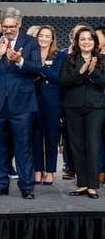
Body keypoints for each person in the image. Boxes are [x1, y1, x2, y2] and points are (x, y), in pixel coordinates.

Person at [0, 7, 41, 199]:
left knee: (23, 147)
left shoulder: (30, 42)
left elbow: (37, 68)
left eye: (12, 26)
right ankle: (0, 184)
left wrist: (20, 60)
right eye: (5, 26)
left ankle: (27, 186)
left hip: (22, 105)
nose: (8, 30)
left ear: (19, 25)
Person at [60, 27, 105, 199]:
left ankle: (93, 186)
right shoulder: (69, 59)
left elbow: (103, 82)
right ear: (77, 42)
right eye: (82, 39)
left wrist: (91, 71)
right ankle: (82, 184)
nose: (86, 42)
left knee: (93, 145)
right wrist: (81, 72)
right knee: (77, 146)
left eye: (90, 39)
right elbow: (63, 81)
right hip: (72, 106)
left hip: (95, 108)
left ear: (94, 42)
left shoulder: (102, 59)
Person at [32, 25, 65, 185]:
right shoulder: (32, 53)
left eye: (47, 36)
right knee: (36, 137)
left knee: (52, 137)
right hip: (34, 101)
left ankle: (50, 170)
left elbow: (59, 79)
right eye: (41, 35)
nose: (43, 38)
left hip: (53, 103)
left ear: (52, 39)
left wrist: (42, 68)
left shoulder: (60, 56)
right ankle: (38, 170)